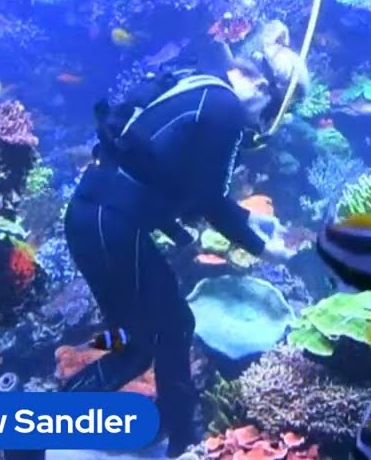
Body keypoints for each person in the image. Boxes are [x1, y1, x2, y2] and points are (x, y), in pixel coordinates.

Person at [58, 41, 305, 457]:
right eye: (270, 114)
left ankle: (174, 431)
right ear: (264, 89)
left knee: (158, 327)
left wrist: (252, 223)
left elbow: (179, 182)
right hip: (112, 225)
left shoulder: (198, 85)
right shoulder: (226, 111)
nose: (261, 128)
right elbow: (210, 201)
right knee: (147, 342)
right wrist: (267, 251)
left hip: (94, 217)